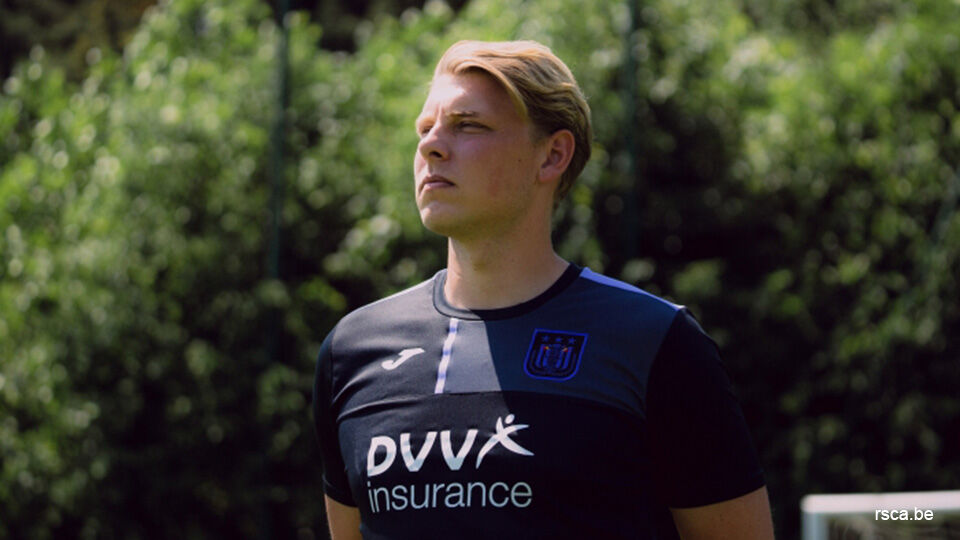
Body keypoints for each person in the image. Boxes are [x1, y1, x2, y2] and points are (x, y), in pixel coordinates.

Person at [313, 39, 775, 540]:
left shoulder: (655, 342)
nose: (431, 145)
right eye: (425, 128)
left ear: (552, 155)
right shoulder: (352, 350)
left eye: (468, 125)